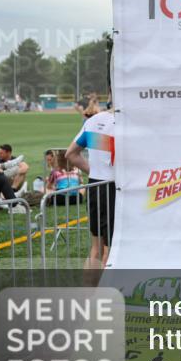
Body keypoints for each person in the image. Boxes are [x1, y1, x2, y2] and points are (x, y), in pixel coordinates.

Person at [66, 109, 115, 272]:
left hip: (94, 186)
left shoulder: (94, 120)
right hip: (114, 189)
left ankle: (88, 294)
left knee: (96, 249)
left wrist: (94, 172)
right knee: (110, 249)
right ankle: (105, 295)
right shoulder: (126, 121)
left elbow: (71, 154)